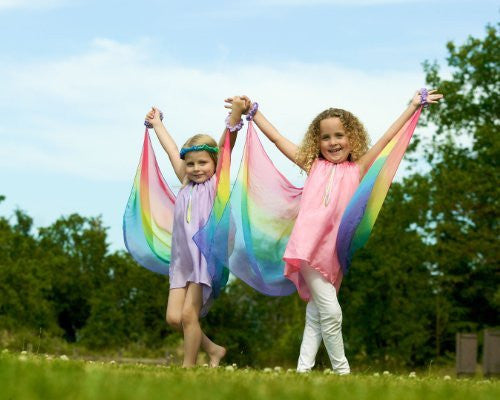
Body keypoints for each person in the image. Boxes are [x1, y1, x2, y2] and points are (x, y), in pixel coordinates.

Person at [226, 89, 443, 373]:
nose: (333, 142)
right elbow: (279, 139)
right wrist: (254, 112)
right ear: (317, 142)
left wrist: (413, 106)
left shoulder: (359, 168)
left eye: (339, 135)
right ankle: (342, 371)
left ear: (352, 138)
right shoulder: (312, 164)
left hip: (333, 254)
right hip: (306, 248)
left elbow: (388, 138)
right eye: (326, 137)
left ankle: (303, 370)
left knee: (317, 313)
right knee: (332, 312)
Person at [144, 97, 247, 367]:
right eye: (190, 164)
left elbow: (227, 146)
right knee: (174, 318)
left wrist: (235, 114)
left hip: (204, 257)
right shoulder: (185, 181)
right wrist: (157, 124)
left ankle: (188, 368)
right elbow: (172, 150)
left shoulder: (216, 183)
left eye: (202, 163)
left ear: (213, 163)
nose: (196, 169)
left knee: (190, 315)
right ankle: (213, 349)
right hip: (182, 260)